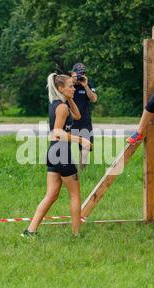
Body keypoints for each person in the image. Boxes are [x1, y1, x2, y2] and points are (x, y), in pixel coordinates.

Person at [22, 73, 92, 237]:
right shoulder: (61, 107)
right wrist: (82, 140)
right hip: (61, 153)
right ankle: (76, 235)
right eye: (70, 86)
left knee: (51, 195)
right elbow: (57, 132)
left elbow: (78, 116)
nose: (73, 88)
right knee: (75, 196)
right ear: (60, 88)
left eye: (73, 86)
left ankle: (30, 231)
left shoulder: (58, 104)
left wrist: (70, 96)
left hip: (54, 152)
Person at [71, 63, 98, 171]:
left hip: (85, 121)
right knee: (67, 148)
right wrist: (72, 82)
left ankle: (81, 171)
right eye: (77, 73)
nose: (79, 76)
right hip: (70, 121)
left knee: (86, 148)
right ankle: (69, 171)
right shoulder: (67, 84)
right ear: (72, 73)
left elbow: (94, 99)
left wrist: (86, 86)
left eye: (82, 74)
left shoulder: (88, 84)